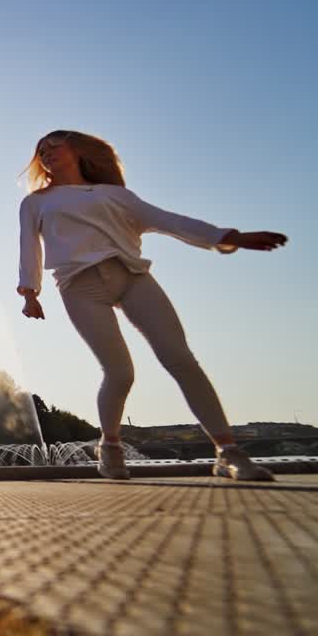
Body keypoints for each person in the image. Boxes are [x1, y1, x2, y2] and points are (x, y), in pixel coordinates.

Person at [16, 130, 286, 480]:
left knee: (181, 359)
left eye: (55, 144)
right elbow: (29, 248)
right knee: (120, 372)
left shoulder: (116, 194)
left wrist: (228, 237)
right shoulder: (36, 202)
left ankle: (227, 452)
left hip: (132, 276)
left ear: (78, 150)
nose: (46, 152)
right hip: (79, 286)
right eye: (42, 149)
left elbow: (168, 221)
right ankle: (110, 446)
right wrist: (30, 293)